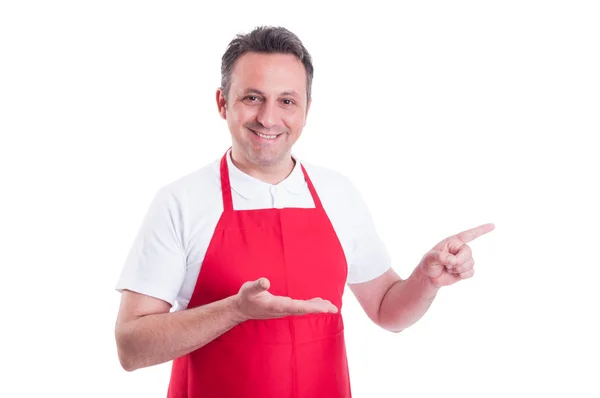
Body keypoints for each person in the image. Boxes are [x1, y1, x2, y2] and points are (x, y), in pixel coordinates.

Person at [114, 25, 494, 398]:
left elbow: (385, 309)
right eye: (252, 97)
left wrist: (425, 281)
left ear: (306, 110)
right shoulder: (180, 202)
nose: (268, 117)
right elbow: (131, 347)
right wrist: (235, 310)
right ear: (221, 103)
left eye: (287, 101)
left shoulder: (338, 194)